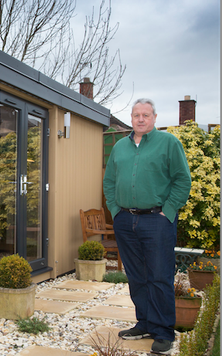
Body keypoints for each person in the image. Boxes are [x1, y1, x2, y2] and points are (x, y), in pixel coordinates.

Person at [103, 98, 191, 355]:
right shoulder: (120, 147)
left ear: (154, 118)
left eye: (146, 115)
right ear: (131, 118)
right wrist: (115, 211)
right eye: (136, 115)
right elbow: (109, 181)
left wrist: (168, 211)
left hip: (157, 221)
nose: (141, 119)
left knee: (159, 275)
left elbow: (182, 180)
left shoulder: (169, 143)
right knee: (137, 276)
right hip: (125, 220)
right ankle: (145, 323)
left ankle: (163, 331)